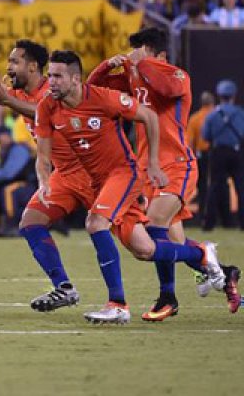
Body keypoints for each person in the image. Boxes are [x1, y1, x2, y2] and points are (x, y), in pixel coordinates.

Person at [36, 50, 226, 324]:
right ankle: (202, 254)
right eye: (49, 75)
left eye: (57, 76)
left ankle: (117, 305)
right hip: (99, 182)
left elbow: (149, 116)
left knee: (95, 222)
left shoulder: (103, 98)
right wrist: (44, 181)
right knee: (144, 249)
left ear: (75, 79)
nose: (51, 81)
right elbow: (43, 157)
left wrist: (153, 164)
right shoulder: (47, 106)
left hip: (124, 173)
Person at [89, 28, 241, 318]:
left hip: (176, 165)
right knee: (173, 244)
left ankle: (168, 297)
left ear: (160, 55)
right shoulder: (135, 76)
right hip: (148, 168)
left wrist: (142, 64)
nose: (134, 56)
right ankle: (224, 272)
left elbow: (167, 89)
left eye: (142, 50)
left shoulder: (177, 75)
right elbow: (92, 92)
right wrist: (108, 65)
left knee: (154, 228)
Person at [0, 40, 89, 312]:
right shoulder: (22, 94)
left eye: (14, 61)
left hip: (91, 170)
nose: (8, 67)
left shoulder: (53, 89)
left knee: (135, 238)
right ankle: (64, 287)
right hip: (64, 174)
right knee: (31, 223)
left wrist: (7, 100)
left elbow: (44, 112)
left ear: (32, 66)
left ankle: (149, 289)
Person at [203, 79, 244, 232]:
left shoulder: (212, 115)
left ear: (219, 95)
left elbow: (206, 135)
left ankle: (209, 223)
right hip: (236, 152)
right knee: (241, 187)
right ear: (233, 95)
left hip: (218, 152)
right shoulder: (239, 113)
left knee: (214, 187)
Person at [187, 91, 216, 220]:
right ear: (213, 102)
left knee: (202, 186)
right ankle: (220, 215)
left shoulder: (195, 118)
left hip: (202, 156)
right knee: (218, 184)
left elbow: (190, 142)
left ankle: (203, 214)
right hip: (217, 153)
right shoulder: (218, 116)